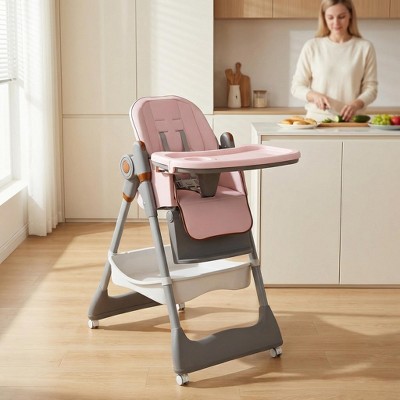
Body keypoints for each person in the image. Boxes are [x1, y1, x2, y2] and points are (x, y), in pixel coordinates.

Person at [291, 0, 378, 122]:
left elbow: (371, 88)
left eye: (341, 17)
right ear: (324, 18)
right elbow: (296, 87)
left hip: (353, 122)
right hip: (317, 122)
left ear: (350, 15)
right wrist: (315, 96)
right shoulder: (312, 46)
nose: (336, 23)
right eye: (330, 17)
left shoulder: (364, 48)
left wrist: (356, 105)